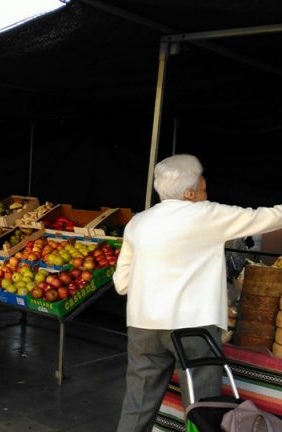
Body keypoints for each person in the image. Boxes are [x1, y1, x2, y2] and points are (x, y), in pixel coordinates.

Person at [114, 154, 282, 432]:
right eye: (203, 187)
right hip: (193, 327)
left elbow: (122, 282)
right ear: (189, 193)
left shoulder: (138, 222)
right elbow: (268, 217)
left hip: (143, 325)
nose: (206, 192)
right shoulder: (207, 215)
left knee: (138, 402)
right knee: (203, 408)